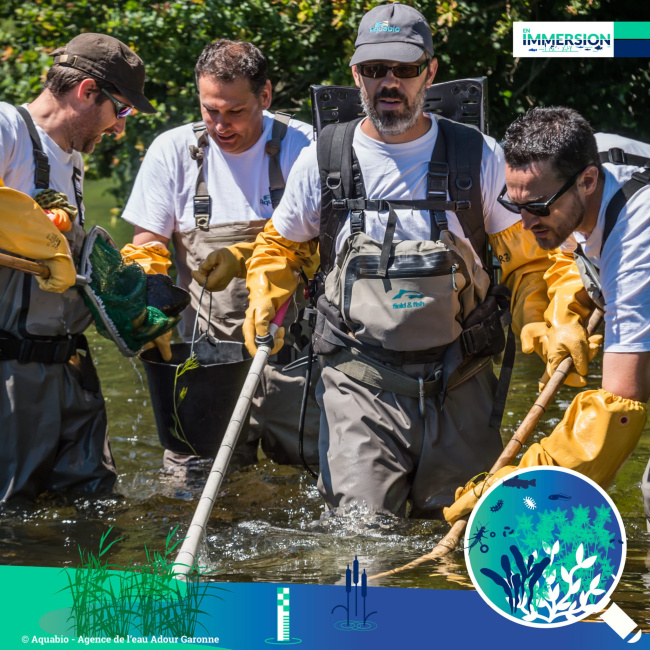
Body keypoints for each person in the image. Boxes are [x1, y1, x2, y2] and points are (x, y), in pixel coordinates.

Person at [242, 2, 561, 518]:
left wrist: (541, 325)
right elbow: (279, 248)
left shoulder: (478, 154)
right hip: (357, 378)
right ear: (356, 75)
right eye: (374, 70)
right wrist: (264, 296)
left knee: (467, 535)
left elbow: (531, 263)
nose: (389, 83)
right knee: (362, 540)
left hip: (461, 378)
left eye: (405, 69)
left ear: (430, 72)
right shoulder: (321, 158)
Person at [444, 107, 649, 525]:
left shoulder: (636, 247)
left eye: (537, 207)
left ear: (587, 181)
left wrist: (516, 486)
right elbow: (576, 240)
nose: (524, 224)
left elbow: (619, 409)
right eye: (513, 203)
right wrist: (567, 309)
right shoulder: (595, 158)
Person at [120, 39, 319, 468]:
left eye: (235, 112)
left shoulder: (305, 148)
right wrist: (147, 301)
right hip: (208, 361)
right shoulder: (172, 151)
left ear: (264, 96)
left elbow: (323, 246)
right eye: (210, 110)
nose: (221, 125)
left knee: (306, 475)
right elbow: (148, 245)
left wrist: (243, 256)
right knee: (191, 476)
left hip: (297, 354)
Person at [0, 33, 157, 505]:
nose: (120, 129)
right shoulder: (8, 127)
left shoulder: (71, 159)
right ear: (88, 91)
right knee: (14, 514)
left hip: (70, 369)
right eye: (122, 111)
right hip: (11, 375)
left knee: (94, 506)